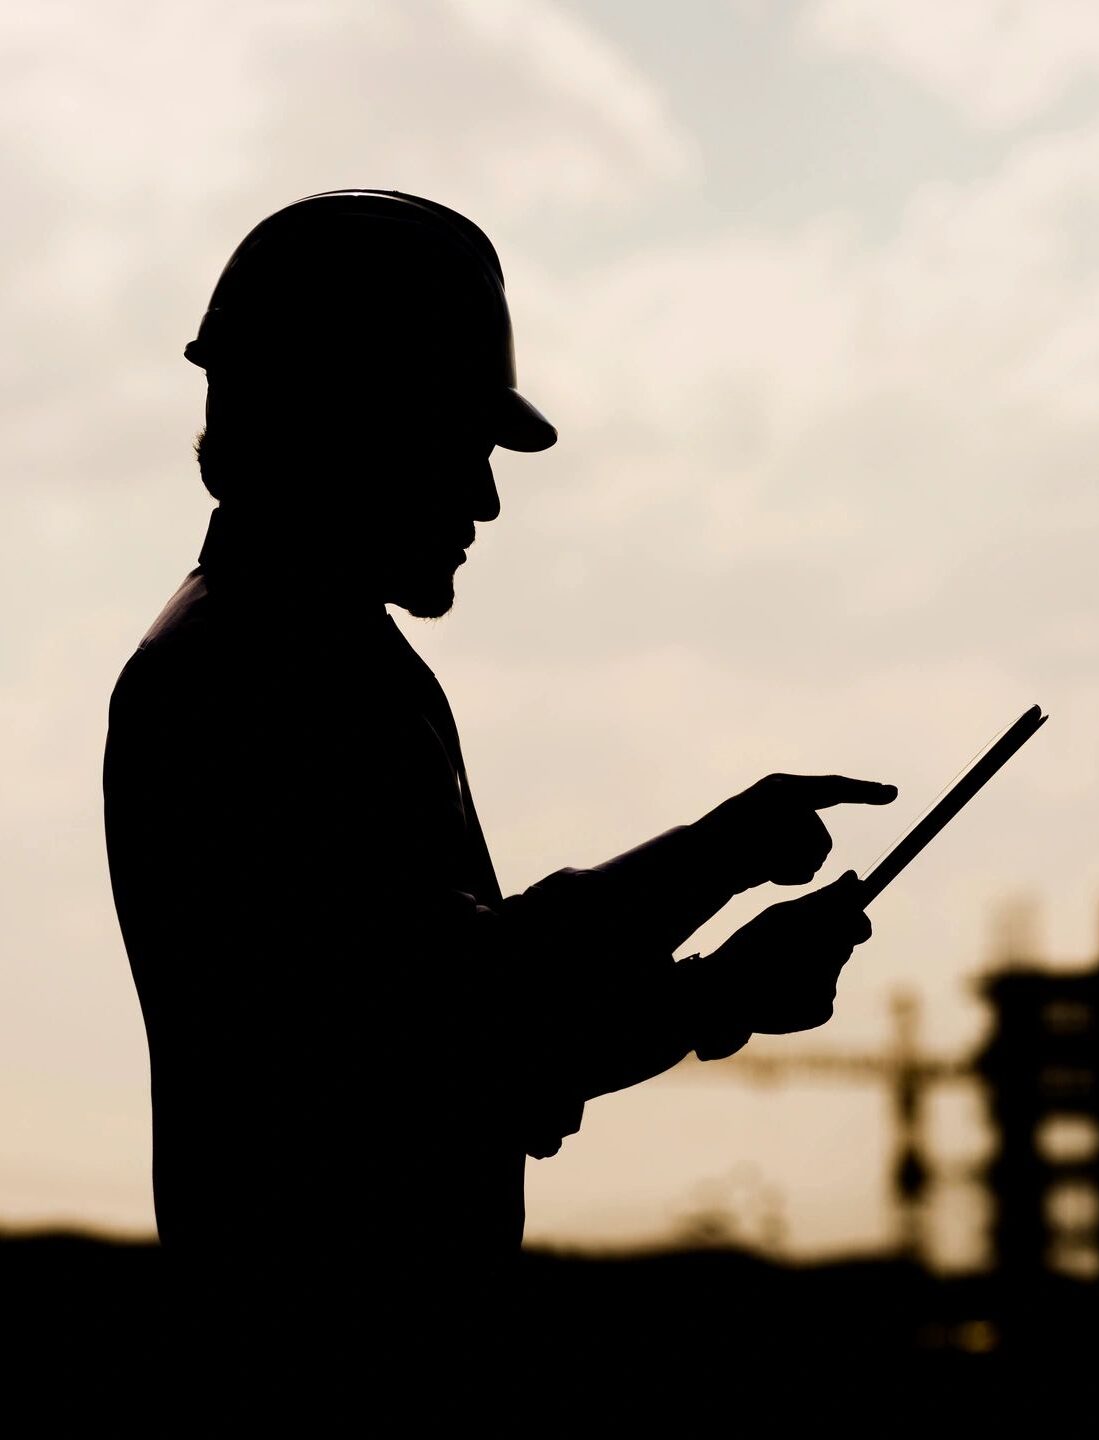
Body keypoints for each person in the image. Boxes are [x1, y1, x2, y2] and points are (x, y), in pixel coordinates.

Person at [100, 191, 894, 1323]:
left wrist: (712, 926)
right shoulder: (268, 674)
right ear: (349, 423)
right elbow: (452, 1039)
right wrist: (715, 941)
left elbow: (447, 1027)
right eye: (455, 444)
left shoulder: (284, 652)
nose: (482, 496)